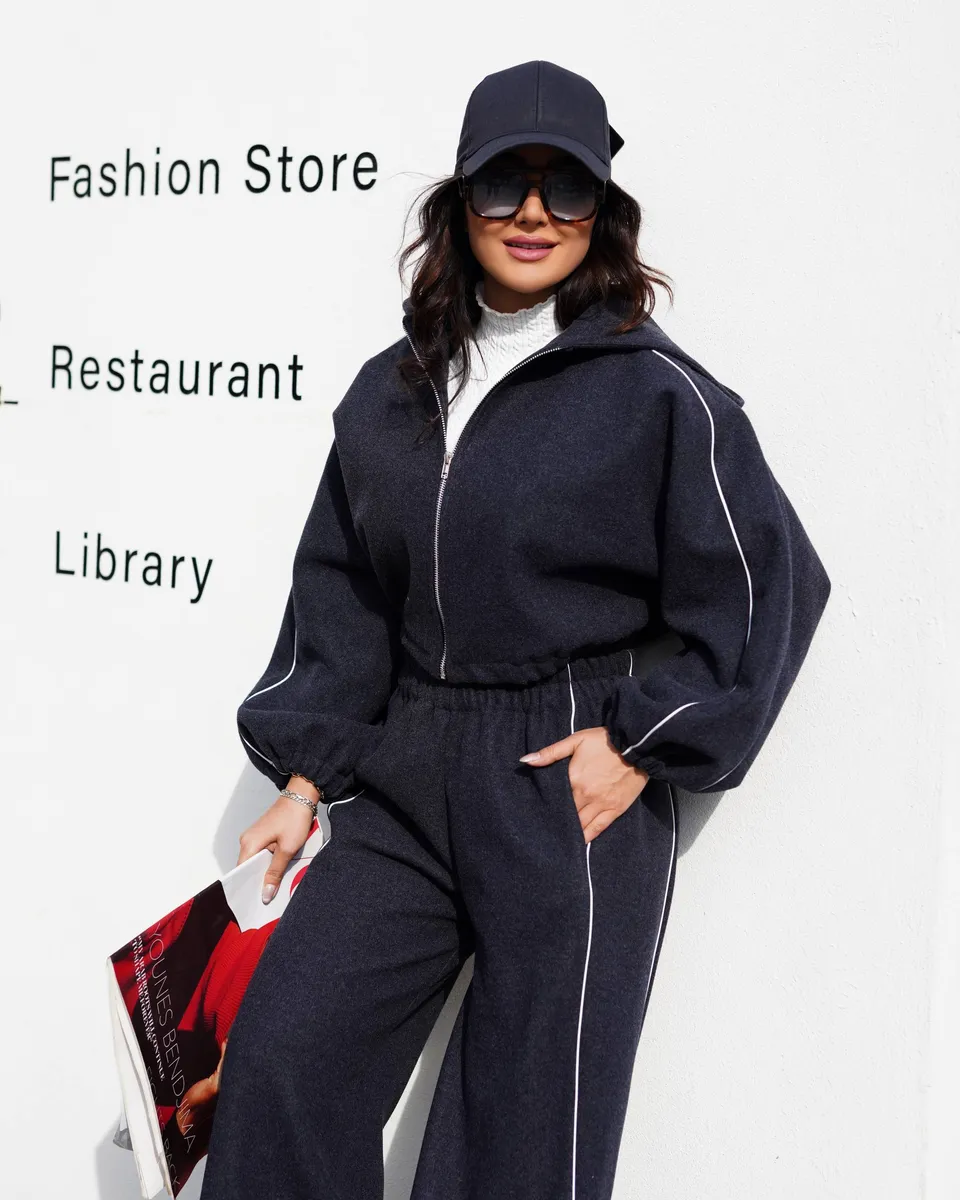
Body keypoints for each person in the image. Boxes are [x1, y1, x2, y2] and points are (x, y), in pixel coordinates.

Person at [198, 59, 831, 1200]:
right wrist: (302, 779)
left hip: (558, 777)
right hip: (406, 773)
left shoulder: (659, 396)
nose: (533, 213)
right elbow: (344, 593)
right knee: (284, 1063)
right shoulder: (388, 392)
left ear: (602, 211)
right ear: (460, 202)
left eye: (565, 187)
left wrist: (640, 742)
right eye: (504, 183)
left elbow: (764, 587)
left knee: (525, 1139)